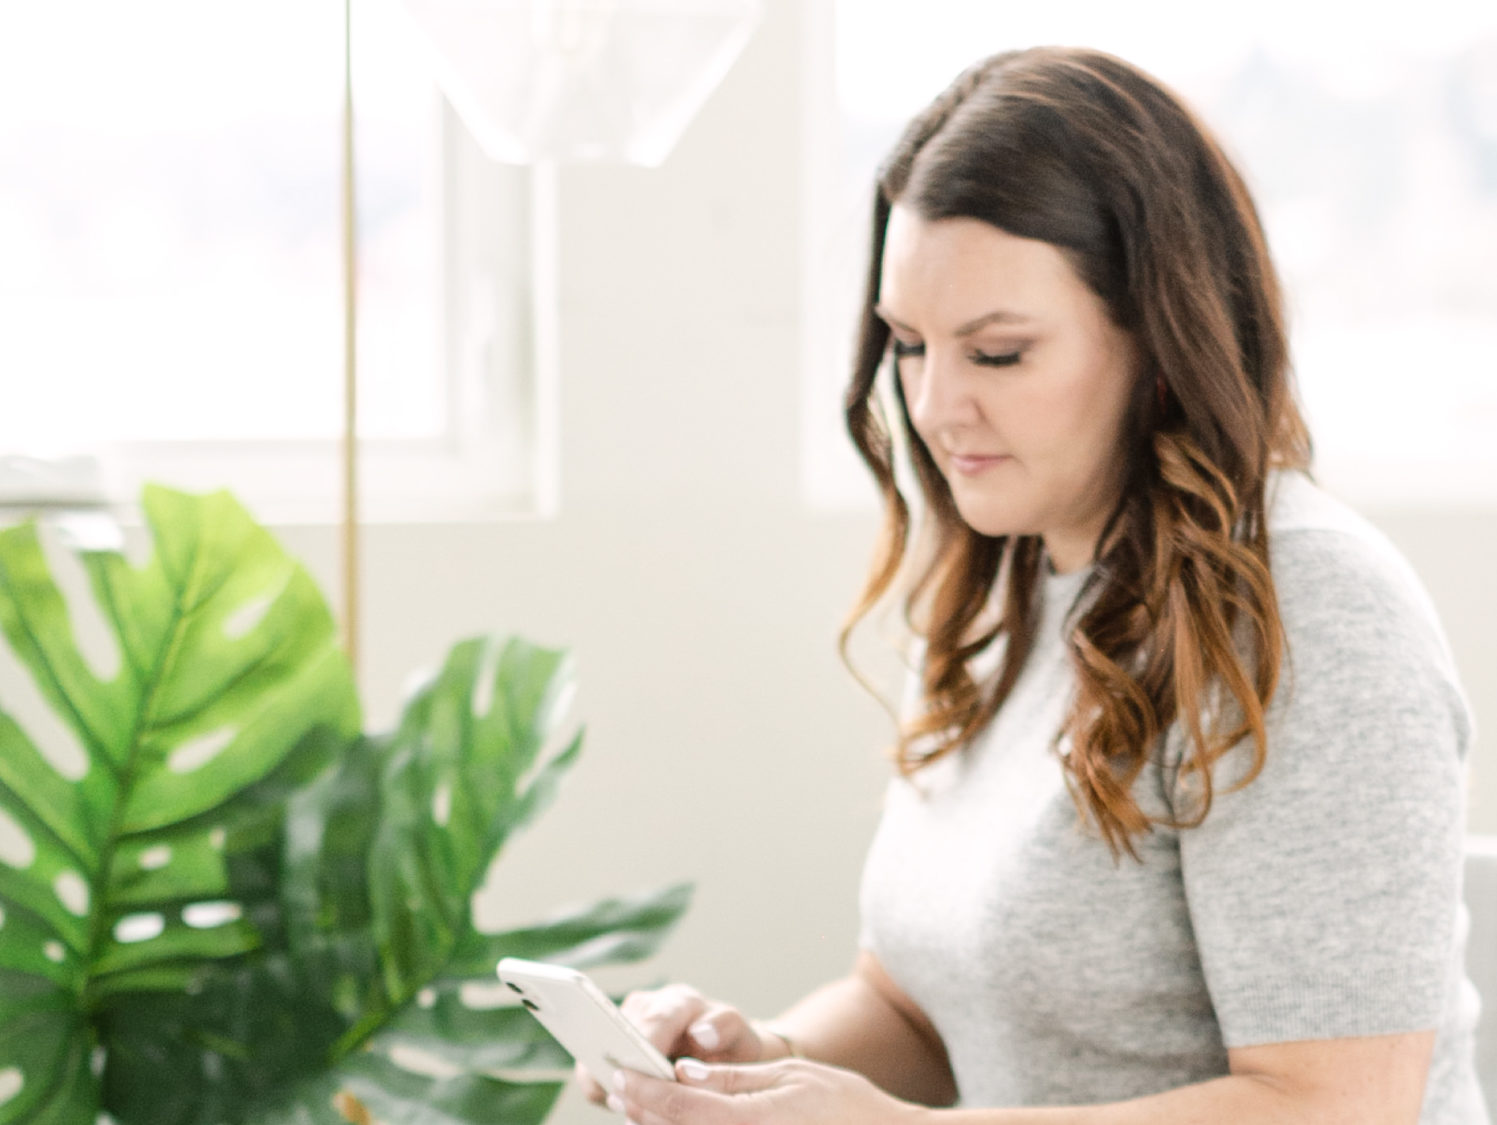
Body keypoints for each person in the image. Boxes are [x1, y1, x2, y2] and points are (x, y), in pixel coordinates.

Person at [587, 45, 1489, 1124]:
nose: (932, 407)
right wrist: (758, 1062)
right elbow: (923, 1012)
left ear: (1161, 335)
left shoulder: (1309, 615)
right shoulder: (1015, 585)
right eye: (910, 346)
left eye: (999, 354)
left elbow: (1336, 1108)